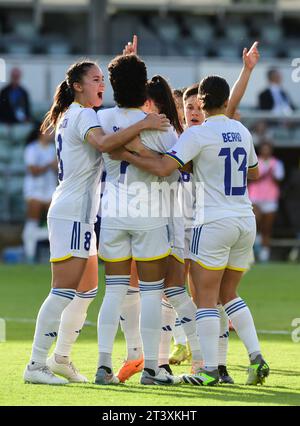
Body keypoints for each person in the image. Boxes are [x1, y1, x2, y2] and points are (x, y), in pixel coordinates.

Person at [111, 75, 270, 387]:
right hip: (244, 219)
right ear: (226, 102)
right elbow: (255, 171)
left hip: (211, 222)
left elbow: (162, 168)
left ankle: (209, 369)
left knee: (205, 298)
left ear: (204, 101)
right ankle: (255, 358)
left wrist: (126, 154)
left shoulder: (197, 134)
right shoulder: (241, 130)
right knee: (229, 294)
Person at [23, 59, 169, 385]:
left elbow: (111, 131)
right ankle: (35, 364)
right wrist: (144, 124)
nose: (100, 84)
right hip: (72, 212)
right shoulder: (84, 114)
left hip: (82, 213)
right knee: (62, 291)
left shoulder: (73, 113)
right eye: (94, 79)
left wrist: (128, 62)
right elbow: (105, 143)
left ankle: (61, 357)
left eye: (104, 79)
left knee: (87, 291)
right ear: (77, 85)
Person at [96, 54, 183, 386]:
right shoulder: (159, 125)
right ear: (144, 84)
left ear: (113, 85)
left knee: (114, 291)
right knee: (149, 293)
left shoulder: (101, 120)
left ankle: (103, 366)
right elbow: (174, 176)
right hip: (149, 215)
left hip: (113, 213)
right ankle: (151, 370)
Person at [22, 124, 57, 263]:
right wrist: (49, 165)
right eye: (49, 131)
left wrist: (56, 167)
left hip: (49, 189)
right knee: (33, 221)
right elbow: (33, 171)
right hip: (34, 190)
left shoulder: (53, 149)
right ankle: (29, 254)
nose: (52, 134)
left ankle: (53, 254)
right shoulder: (32, 148)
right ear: (42, 132)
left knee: (53, 222)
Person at [248, 140, 285, 262]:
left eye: (268, 148)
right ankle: (256, 240)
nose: (266, 151)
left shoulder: (277, 163)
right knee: (255, 220)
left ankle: (265, 252)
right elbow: (251, 178)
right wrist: (263, 174)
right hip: (255, 196)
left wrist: (272, 173)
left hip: (270, 198)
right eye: (264, 148)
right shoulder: (255, 161)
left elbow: (279, 180)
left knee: (267, 227)